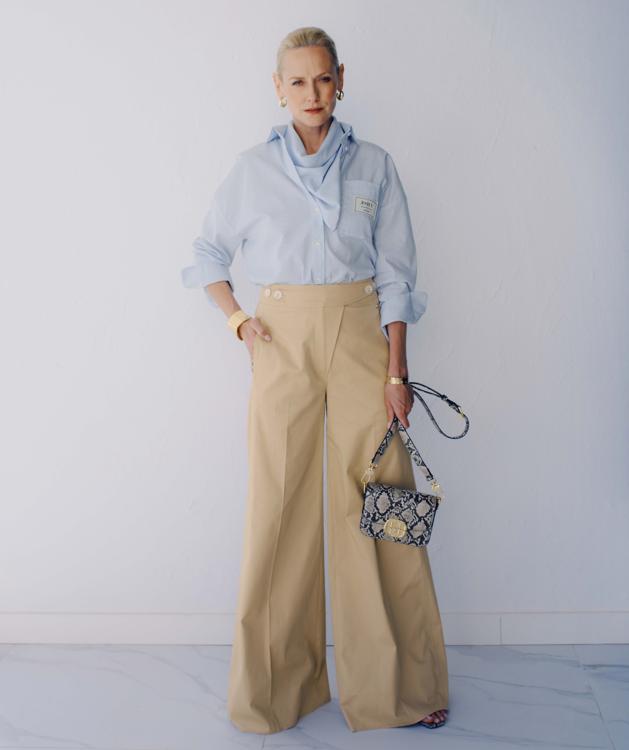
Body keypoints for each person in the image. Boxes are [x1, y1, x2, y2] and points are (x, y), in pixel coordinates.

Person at [181, 25, 449, 734]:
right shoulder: (251, 170)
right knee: (279, 508)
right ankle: (276, 691)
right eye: (297, 80)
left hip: (361, 337)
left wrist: (397, 369)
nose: (311, 92)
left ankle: (402, 685)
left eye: (323, 78)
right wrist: (239, 321)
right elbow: (206, 253)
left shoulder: (375, 166)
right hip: (281, 340)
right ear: (279, 89)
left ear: (340, 81)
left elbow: (396, 273)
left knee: (385, 501)